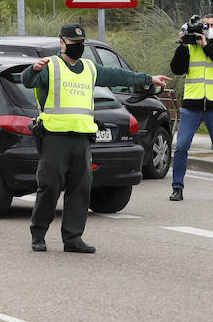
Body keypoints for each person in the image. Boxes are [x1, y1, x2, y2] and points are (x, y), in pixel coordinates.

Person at [23, 23, 169, 253]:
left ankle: (73, 238)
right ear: (62, 43)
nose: (78, 47)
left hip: (82, 139)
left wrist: (148, 79)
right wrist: (33, 69)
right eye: (73, 43)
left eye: (81, 44)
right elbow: (27, 81)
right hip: (54, 138)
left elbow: (118, 75)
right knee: (49, 187)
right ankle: (38, 235)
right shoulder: (51, 67)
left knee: (80, 189)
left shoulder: (90, 68)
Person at [168, 14, 213, 202]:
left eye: (212, 25)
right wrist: (182, 46)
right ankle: (177, 188)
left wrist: (207, 46)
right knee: (181, 147)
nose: (209, 28)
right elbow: (177, 69)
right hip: (192, 104)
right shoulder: (191, 46)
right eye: (206, 25)